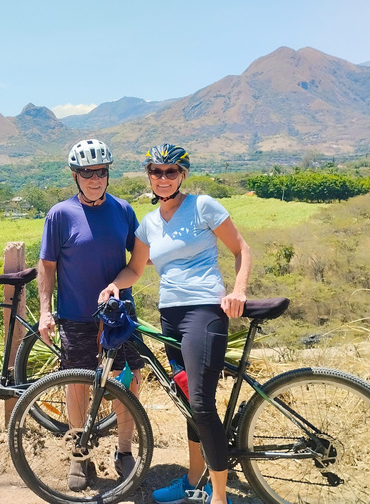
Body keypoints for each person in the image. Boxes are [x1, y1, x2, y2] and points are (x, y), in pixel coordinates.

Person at [99, 144, 251, 504]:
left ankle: (218, 497)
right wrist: (114, 285)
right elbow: (135, 269)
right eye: (156, 171)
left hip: (204, 311)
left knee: (201, 402)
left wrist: (238, 291)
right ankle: (194, 480)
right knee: (187, 401)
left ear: (182, 175)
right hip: (171, 315)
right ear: (149, 176)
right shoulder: (149, 224)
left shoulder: (202, 207)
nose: (163, 178)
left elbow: (241, 249)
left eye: (171, 172)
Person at [38, 139, 145, 491]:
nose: (95, 179)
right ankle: (79, 455)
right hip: (76, 315)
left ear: (108, 174)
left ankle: (124, 451)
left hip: (119, 313)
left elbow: (138, 260)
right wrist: (45, 311)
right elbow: (47, 265)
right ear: (75, 176)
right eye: (87, 173)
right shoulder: (60, 215)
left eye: (100, 172)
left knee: (128, 380)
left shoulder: (123, 210)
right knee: (77, 385)